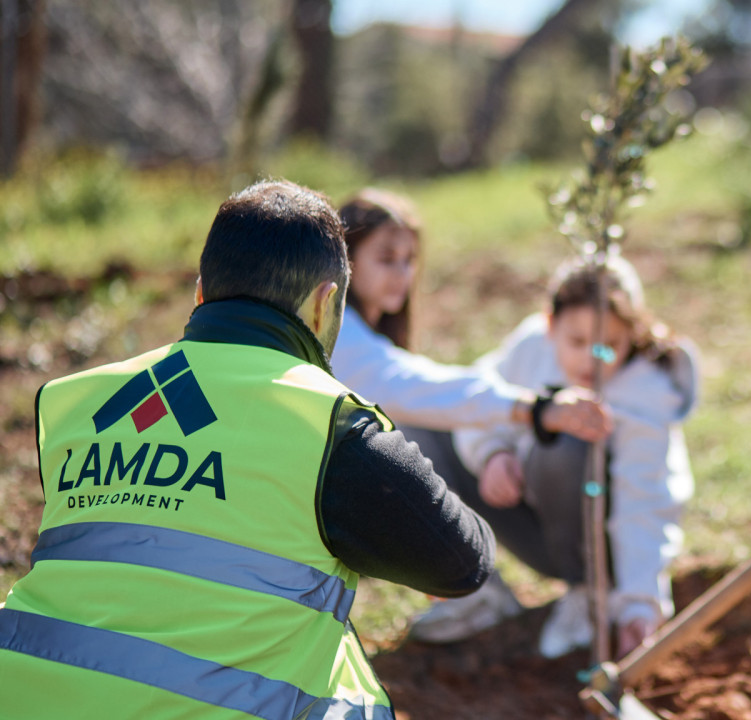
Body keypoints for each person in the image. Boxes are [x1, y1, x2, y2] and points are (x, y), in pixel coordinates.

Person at [0, 179, 496, 719]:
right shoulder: (327, 423)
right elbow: (461, 564)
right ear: (325, 305)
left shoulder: (75, 400)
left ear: (199, 292)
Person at [329, 188, 614, 639]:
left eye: (410, 259)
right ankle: (470, 592)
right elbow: (411, 387)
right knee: (404, 426)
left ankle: (477, 594)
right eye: (386, 258)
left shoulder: (362, 332)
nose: (402, 274)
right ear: (345, 261)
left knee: (416, 426)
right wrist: (533, 409)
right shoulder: (338, 334)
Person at [409, 253, 698, 659]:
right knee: (420, 427)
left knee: (567, 441)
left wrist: (640, 604)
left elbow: (644, 501)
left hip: (600, 544)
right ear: (550, 325)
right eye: (577, 342)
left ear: (633, 333)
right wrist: (493, 453)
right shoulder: (531, 346)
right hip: (533, 522)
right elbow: (475, 402)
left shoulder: (646, 395)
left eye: (609, 346)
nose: (591, 361)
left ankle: (589, 592)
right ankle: (478, 591)